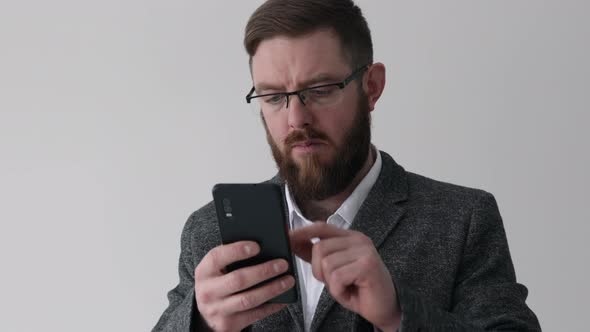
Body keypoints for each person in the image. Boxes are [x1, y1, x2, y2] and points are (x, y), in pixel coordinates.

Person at [153, 0, 540, 331]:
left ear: (371, 87)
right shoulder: (209, 233)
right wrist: (200, 322)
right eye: (273, 96)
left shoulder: (463, 220)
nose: (296, 119)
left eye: (319, 91)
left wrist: (397, 314)